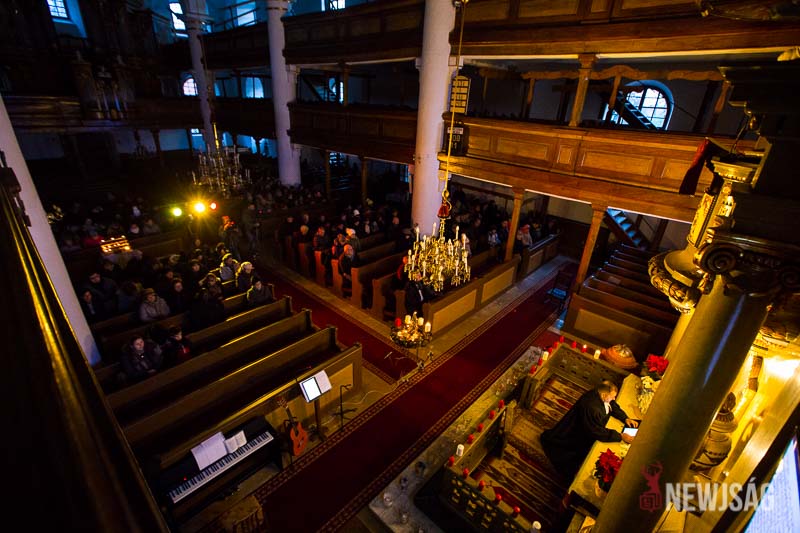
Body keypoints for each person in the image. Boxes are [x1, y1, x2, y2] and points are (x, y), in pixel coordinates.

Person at [540, 380, 638, 481]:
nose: (614, 399)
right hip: (578, 431)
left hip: (591, 422)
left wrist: (625, 418)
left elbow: (612, 404)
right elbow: (596, 431)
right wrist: (620, 436)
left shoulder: (603, 395)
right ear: (604, 395)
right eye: (612, 396)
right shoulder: (592, 408)